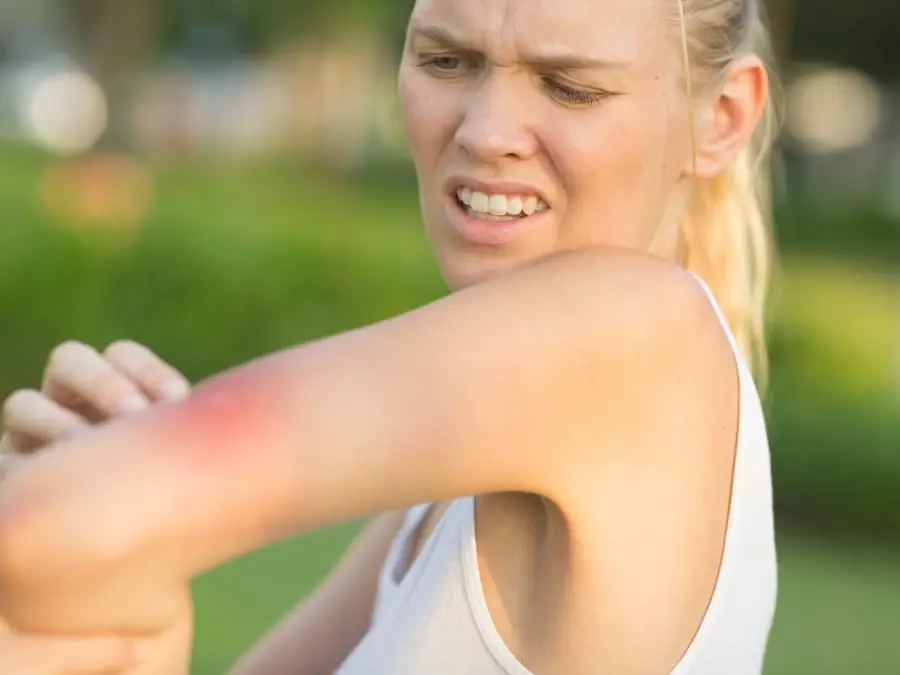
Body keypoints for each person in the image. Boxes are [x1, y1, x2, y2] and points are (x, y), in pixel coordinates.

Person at [0, 0, 779, 672]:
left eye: (570, 87)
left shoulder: (634, 331)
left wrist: (91, 498)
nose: (485, 130)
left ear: (723, 118)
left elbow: (45, 522)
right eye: (446, 60)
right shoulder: (456, 479)